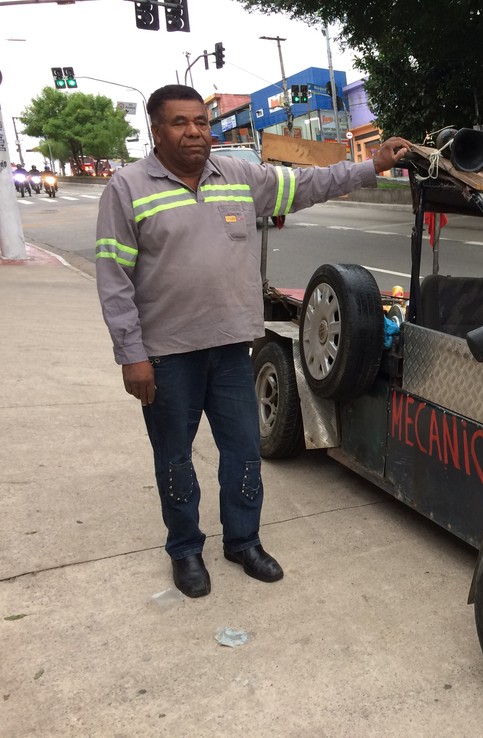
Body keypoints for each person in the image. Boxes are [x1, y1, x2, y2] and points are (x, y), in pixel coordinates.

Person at [95, 84, 411, 598]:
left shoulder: (239, 175)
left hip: (230, 348)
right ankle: (186, 550)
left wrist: (372, 164)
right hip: (167, 355)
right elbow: (113, 279)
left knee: (242, 453)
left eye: (200, 121)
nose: (194, 131)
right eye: (179, 122)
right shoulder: (127, 188)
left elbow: (308, 184)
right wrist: (132, 355)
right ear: (156, 129)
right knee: (174, 458)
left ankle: (243, 541)